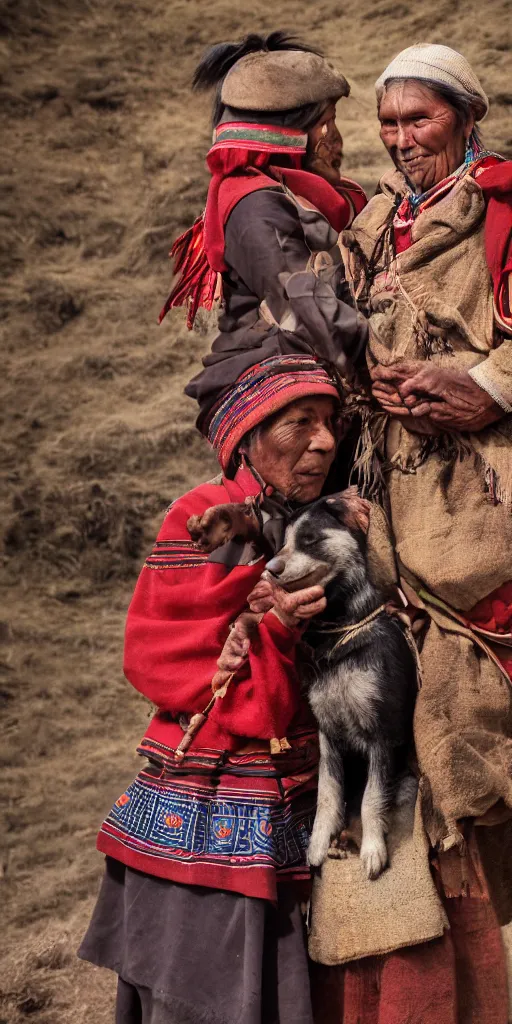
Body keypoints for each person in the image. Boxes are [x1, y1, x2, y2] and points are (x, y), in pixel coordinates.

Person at [314, 42, 512, 1024]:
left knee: (458, 742)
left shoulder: (504, 211)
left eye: (416, 122)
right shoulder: (370, 223)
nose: (398, 142)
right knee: (419, 759)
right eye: (386, 125)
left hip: (477, 521)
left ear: (462, 117)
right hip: (384, 513)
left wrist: (480, 386)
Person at [79, 353, 366, 1023]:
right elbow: (160, 653)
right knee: (202, 994)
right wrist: (272, 626)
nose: (323, 441)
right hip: (207, 816)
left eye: (329, 423)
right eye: (301, 423)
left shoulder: (322, 522)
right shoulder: (204, 517)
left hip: (292, 807)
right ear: (249, 438)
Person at [158, 32, 368, 425]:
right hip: (272, 377)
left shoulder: (298, 196)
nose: (337, 140)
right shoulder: (256, 207)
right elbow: (310, 312)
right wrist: (394, 348)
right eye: (327, 123)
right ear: (290, 135)